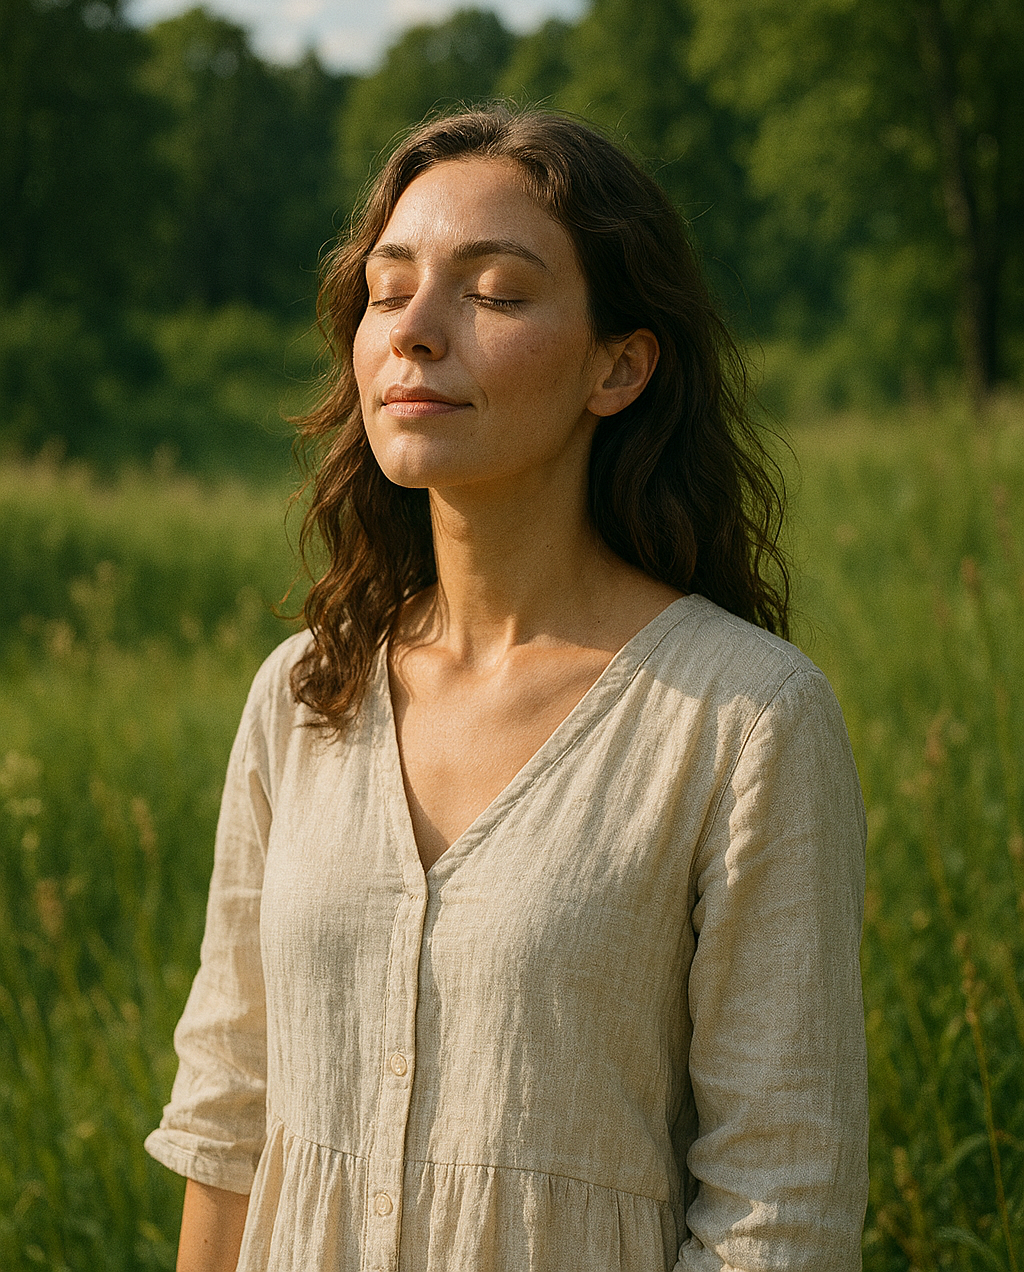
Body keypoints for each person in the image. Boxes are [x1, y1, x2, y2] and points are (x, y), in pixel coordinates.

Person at [146, 107, 869, 1272]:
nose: (415, 334)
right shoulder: (304, 695)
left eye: (494, 293)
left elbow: (779, 1202)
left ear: (618, 365)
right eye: (387, 290)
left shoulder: (746, 719)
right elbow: (230, 1119)